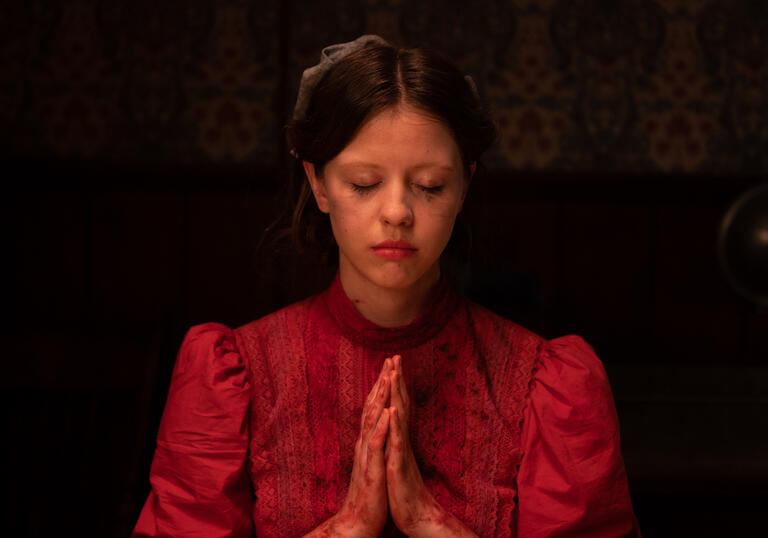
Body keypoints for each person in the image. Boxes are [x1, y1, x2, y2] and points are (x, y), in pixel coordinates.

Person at [133, 35, 640, 537]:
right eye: (364, 183)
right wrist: (348, 527)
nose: (397, 212)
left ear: (464, 185)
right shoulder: (232, 375)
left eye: (430, 186)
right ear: (318, 184)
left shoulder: (547, 386)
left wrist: (430, 522)